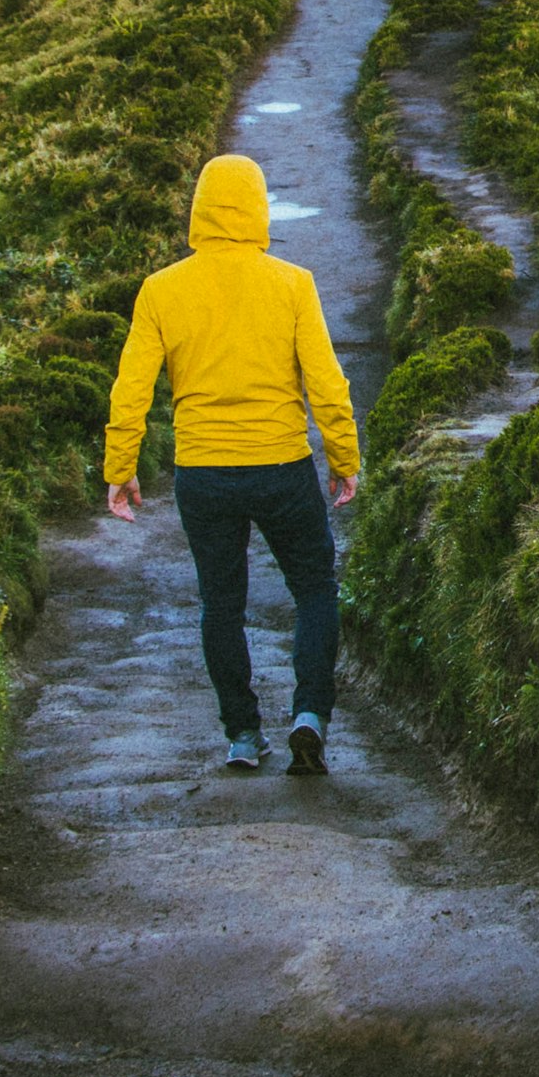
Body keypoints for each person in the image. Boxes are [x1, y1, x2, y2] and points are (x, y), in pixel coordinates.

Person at [102, 152, 361, 776]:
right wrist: (343, 456)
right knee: (315, 591)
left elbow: (131, 387)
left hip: (203, 473)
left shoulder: (162, 289)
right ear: (257, 208)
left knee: (221, 604)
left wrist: (121, 465)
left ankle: (243, 734)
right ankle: (310, 715)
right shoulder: (292, 283)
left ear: (199, 211)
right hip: (282, 467)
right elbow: (325, 383)